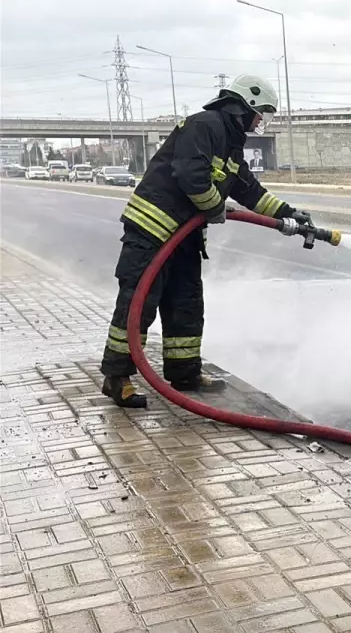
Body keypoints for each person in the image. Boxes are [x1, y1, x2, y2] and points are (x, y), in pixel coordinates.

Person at [100, 74, 312, 408]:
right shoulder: (204, 126)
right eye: (260, 114)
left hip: (183, 238)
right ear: (243, 106)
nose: (260, 122)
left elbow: (247, 189)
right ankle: (117, 377)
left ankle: (184, 373)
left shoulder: (230, 143)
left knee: (186, 303)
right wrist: (215, 207)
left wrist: (289, 213)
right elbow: (190, 176)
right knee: (139, 305)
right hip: (152, 232)